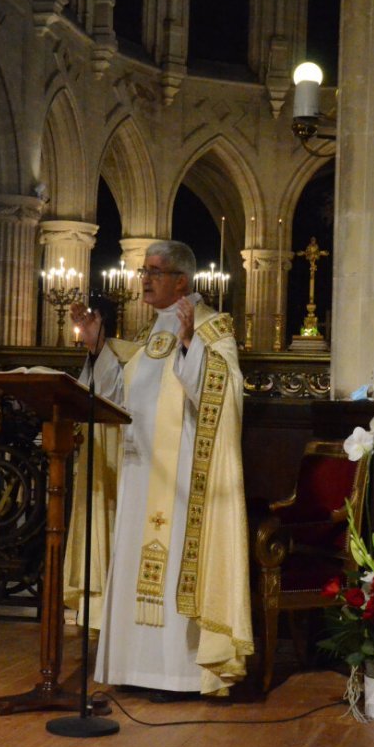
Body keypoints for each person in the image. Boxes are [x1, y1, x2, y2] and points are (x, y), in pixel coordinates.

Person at [65, 239, 252, 698]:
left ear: (181, 280)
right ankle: (134, 668)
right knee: (133, 565)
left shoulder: (211, 327)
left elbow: (222, 396)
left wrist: (191, 347)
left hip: (182, 481)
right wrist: (97, 348)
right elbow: (118, 392)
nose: (144, 279)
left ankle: (179, 674)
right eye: (143, 271)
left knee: (170, 573)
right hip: (139, 473)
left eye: (154, 271)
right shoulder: (151, 334)